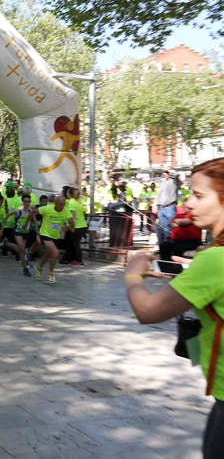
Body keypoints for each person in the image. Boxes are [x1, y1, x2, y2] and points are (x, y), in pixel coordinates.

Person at [123, 157, 224, 457]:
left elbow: (147, 311)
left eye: (199, 195)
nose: (188, 204)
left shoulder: (215, 261)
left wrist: (132, 273)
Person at [29, 195, 74, 284]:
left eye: (63, 204)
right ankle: (51, 274)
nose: (62, 207)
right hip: (45, 234)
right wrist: (33, 225)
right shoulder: (47, 208)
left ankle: (39, 268)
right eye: (60, 204)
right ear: (55, 203)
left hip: (55, 236)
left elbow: (72, 223)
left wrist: (67, 227)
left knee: (48, 255)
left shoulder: (66, 211)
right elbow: (33, 212)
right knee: (55, 253)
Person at [156, 168, 179, 245]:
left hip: (170, 207)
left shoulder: (173, 182)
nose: (164, 174)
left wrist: (169, 169)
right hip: (161, 208)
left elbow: (175, 175)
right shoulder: (162, 182)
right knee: (164, 228)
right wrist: (156, 205)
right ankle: (167, 243)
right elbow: (158, 195)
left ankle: (172, 243)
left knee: (171, 227)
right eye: (164, 173)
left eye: (166, 173)